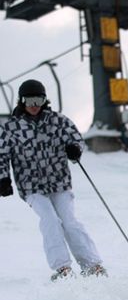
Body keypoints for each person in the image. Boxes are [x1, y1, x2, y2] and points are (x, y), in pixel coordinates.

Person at [0, 79, 107, 281]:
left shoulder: (58, 121)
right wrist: (3, 178)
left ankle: (92, 265)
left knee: (69, 222)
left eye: (38, 99)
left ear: (44, 100)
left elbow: (75, 138)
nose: (34, 105)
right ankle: (62, 268)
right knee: (50, 220)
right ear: (21, 101)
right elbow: (1, 155)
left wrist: (74, 149)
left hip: (59, 182)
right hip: (31, 186)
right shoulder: (10, 128)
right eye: (29, 100)